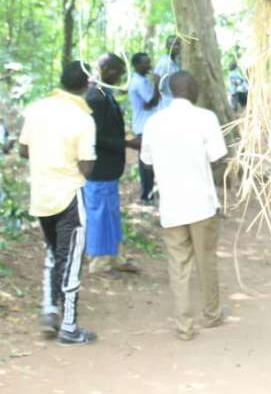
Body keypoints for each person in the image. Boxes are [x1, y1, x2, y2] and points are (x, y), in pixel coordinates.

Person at [141, 71, 226, 341]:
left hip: (172, 204)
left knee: (178, 266)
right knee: (206, 260)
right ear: (196, 91)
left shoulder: (154, 122)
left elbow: (147, 161)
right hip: (201, 202)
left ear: (169, 91)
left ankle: (184, 327)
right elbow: (217, 157)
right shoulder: (206, 118)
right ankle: (212, 314)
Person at [18, 61, 98, 345]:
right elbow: (87, 166)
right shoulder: (83, 118)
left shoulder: (38, 109)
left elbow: (23, 149)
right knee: (71, 259)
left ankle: (49, 308)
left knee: (53, 254)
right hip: (68, 196)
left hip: (41, 194)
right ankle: (69, 326)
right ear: (87, 85)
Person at [84, 54, 141, 275]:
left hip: (109, 169)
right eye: (117, 72)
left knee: (110, 213)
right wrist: (126, 142)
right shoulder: (95, 98)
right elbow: (94, 136)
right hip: (99, 169)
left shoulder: (104, 95)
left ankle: (115, 255)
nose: (120, 77)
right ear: (106, 70)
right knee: (99, 212)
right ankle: (99, 261)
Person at [128, 52, 160, 204]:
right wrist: (157, 84)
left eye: (149, 61)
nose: (149, 65)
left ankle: (149, 192)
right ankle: (145, 194)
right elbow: (151, 102)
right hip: (143, 126)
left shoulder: (143, 80)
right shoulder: (138, 82)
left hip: (148, 125)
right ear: (136, 65)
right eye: (145, 63)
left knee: (149, 158)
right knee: (145, 160)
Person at [153, 35, 181, 109]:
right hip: (166, 105)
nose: (177, 47)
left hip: (175, 104)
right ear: (167, 46)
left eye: (179, 44)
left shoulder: (177, 63)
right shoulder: (163, 63)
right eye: (174, 45)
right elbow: (156, 85)